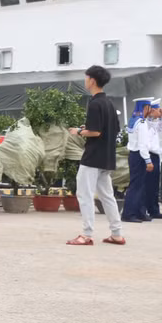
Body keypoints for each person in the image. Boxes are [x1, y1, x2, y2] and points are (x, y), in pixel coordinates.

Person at [66, 66, 125, 245]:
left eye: (86, 78)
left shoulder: (94, 103)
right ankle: (117, 234)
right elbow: (113, 129)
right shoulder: (109, 103)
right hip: (107, 157)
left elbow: (95, 131)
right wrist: (87, 130)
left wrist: (79, 131)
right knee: (107, 196)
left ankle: (86, 234)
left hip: (92, 157)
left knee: (84, 194)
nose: (85, 81)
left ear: (92, 80)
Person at [121, 97, 153, 223]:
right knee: (136, 186)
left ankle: (138, 211)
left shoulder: (133, 120)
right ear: (146, 108)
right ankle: (128, 213)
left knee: (138, 185)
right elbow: (143, 144)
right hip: (139, 156)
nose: (149, 110)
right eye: (148, 108)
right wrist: (148, 160)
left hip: (133, 155)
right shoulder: (142, 123)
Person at [144, 99, 162, 219]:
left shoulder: (154, 122)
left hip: (155, 156)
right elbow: (150, 145)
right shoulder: (146, 123)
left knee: (154, 186)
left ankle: (154, 210)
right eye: (158, 110)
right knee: (148, 185)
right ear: (151, 111)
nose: (159, 112)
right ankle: (147, 210)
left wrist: (161, 116)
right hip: (149, 156)